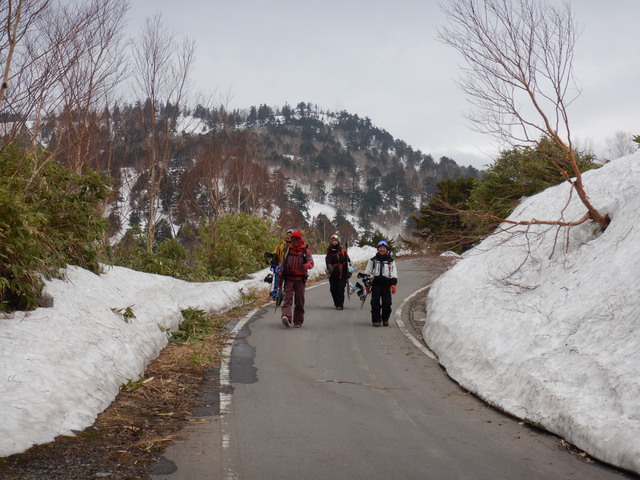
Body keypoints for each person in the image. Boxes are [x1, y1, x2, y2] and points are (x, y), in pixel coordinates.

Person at [280, 231, 314, 328]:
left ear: (300, 240)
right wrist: (280, 276)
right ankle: (286, 317)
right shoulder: (288, 250)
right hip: (289, 279)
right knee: (287, 299)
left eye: (296, 239)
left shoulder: (305, 251)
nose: (294, 241)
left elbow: (311, 263)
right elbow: (283, 264)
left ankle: (298, 321)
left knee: (299, 301)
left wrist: (306, 265)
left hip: (300, 280)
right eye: (293, 239)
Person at [363, 240, 398, 327]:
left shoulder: (391, 261)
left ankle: (385, 319)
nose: (382, 249)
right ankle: (376, 320)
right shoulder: (373, 260)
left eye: (384, 248)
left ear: (386, 249)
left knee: (387, 304)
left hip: (387, 284)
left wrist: (393, 284)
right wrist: (367, 285)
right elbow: (367, 273)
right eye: (380, 248)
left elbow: (394, 273)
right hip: (376, 283)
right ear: (378, 249)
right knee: (375, 303)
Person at [325, 234, 351, 310]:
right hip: (333, 274)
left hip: (342, 273)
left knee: (340, 288)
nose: (334, 242)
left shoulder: (342, 251)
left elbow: (348, 262)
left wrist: (349, 272)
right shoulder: (329, 251)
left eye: (336, 241)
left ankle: (340, 304)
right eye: (333, 241)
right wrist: (329, 266)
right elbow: (327, 260)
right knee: (333, 289)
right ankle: (336, 302)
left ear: (338, 242)